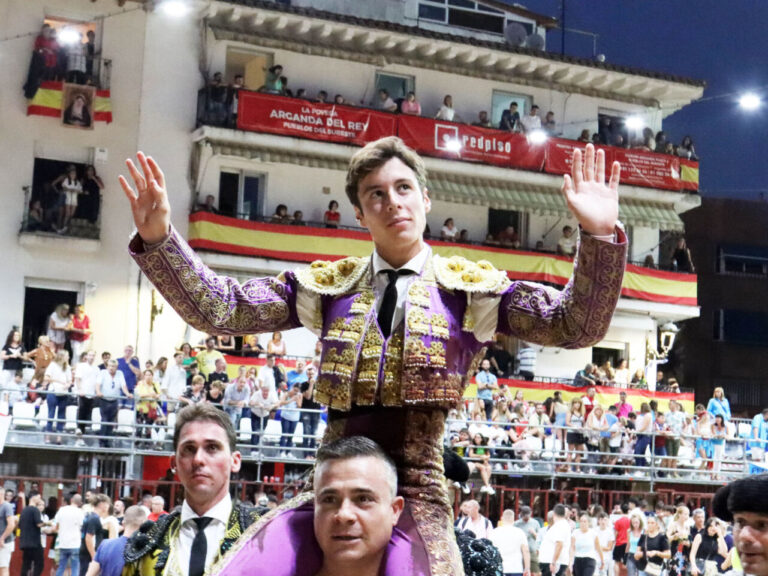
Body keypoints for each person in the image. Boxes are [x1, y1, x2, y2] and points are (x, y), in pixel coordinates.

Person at [120, 137, 626, 574]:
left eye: (404, 188)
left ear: (426, 199)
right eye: (376, 194)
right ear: (360, 214)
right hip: (333, 481)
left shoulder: (471, 289)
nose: (393, 203)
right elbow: (222, 309)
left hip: (416, 489)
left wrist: (600, 237)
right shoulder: (327, 286)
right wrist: (160, 239)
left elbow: (575, 325)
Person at [123, 404, 258, 575]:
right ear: (174, 464)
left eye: (212, 447)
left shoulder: (263, 534)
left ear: (235, 461)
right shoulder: (146, 541)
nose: (198, 459)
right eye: (189, 449)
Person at [85, 506, 147, 576]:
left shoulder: (105, 544)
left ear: (123, 523)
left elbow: (90, 574)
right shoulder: (144, 550)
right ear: (144, 526)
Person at [96, 360, 130, 446]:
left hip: (114, 400)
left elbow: (123, 385)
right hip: (104, 400)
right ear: (107, 366)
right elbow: (98, 384)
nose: (111, 368)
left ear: (116, 367)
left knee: (111, 421)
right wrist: (98, 391)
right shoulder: (103, 373)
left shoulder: (120, 373)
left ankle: (108, 441)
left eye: (113, 366)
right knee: (104, 420)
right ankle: (102, 441)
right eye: (110, 366)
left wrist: (127, 393)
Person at [491, 509, 530, 576]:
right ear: (513, 519)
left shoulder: (494, 533)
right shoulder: (520, 532)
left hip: (499, 568)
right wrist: (527, 568)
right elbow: (526, 551)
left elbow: (490, 551)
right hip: (516, 568)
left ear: (502, 518)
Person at [53, 493, 85, 576]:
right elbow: (82, 526)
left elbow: (55, 525)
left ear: (71, 500)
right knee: (75, 568)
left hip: (63, 543)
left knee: (61, 567)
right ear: (80, 503)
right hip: (75, 544)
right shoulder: (80, 512)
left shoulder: (61, 510)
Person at [540, 505, 572, 576]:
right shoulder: (560, 525)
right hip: (552, 562)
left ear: (554, 514)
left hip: (554, 563)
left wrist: (554, 562)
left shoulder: (560, 526)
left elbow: (559, 544)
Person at [19, 492, 46, 576]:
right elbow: (39, 524)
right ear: (33, 498)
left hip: (24, 542)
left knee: (26, 564)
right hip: (35, 543)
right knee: (39, 564)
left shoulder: (24, 510)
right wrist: (48, 523)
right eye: (38, 497)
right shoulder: (35, 510)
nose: (39, 499)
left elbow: (20, 524)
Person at [515, 506, 540, 576]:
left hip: (532, 551)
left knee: (536, 572)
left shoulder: (535, 523)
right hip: (520, 552)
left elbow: (540, 538)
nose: (526, 519)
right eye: (524, 517)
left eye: (527, 517)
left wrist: (534, 533)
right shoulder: (517, 524)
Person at [0, 487, 17, 576]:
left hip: (5, 543)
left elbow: (11, 525)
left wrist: (2, 538)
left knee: (3, 567)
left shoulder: (6, 506)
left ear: (1, 494)